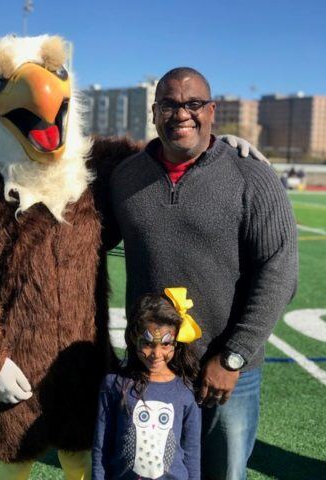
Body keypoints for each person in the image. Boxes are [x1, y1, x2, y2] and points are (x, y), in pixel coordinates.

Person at [109, 67, 298, 480]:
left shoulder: (252, 175)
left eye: (193, 104)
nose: (182, 114)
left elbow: (281, 271)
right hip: (152, 365)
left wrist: (233, 356)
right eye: (170, 105)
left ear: (211, 110)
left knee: (224, 473)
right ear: (154, 112)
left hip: (226, 369)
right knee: (150, 472)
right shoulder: (125, 178)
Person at [92, 288, 202, 480]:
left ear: (176, 342)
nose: (156, 354)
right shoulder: (114, 384)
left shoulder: (186, 391)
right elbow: (101, 446)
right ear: (134, 338)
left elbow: (192, 453)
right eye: (147, 343)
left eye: (166, 344)